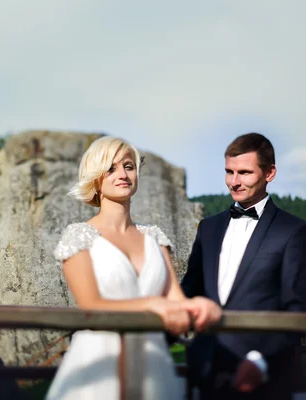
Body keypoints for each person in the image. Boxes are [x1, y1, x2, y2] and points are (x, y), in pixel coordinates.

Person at [47, 136, 222, 400]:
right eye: (111, 168)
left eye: (129, 166)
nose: (123, 174)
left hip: (153, 362)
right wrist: (152, 304)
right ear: (96, 178)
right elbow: (91, 305)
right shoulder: (78, 236)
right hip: (99, 361)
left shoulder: (155, 237)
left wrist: (199, 305)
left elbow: (175, 300)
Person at [181, 132, 306, 399]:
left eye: (244, 172)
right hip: (206, 369)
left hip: (262, 377)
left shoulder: (294, 231)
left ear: (270, 173)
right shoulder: (208, 228)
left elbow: (297, 309)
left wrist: (260, 361)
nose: (234, 182)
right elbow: (189, 291)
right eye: (229, 172)